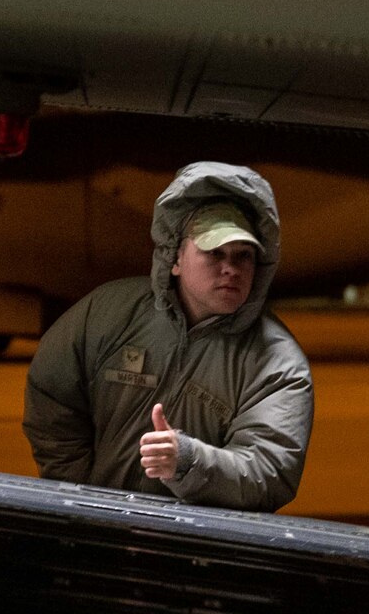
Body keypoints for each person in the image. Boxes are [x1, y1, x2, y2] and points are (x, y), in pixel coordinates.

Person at [22, 161, 313, 512]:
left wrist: (189, 461)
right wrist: (81, 493)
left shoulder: (277, 362)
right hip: (94, 528)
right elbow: (51, 395)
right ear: (175, 257)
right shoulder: (106, 314)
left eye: (244, 256)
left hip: (196, 547)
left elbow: (270, 471)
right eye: (214, 252)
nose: (231, 268)